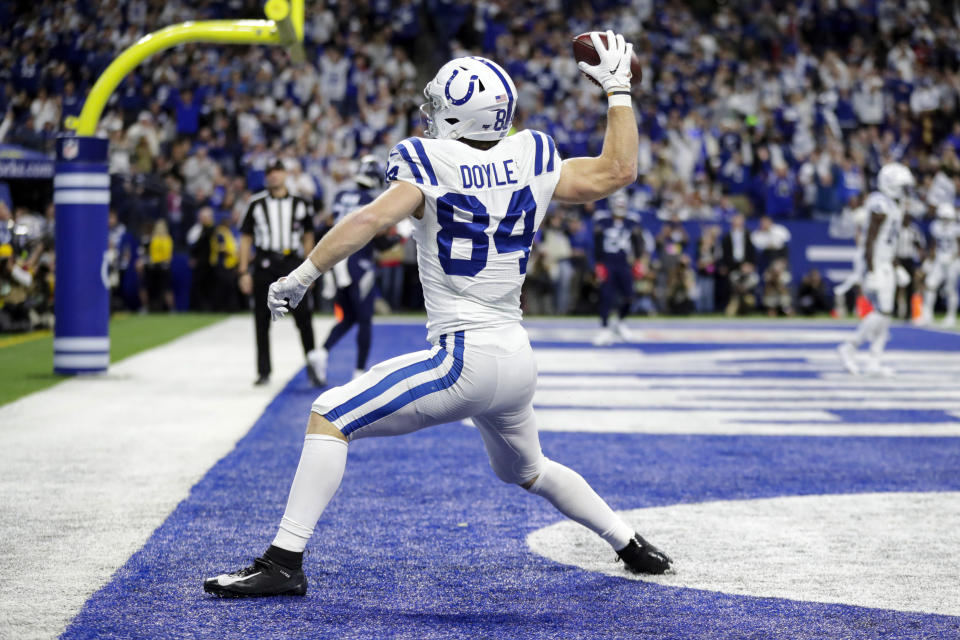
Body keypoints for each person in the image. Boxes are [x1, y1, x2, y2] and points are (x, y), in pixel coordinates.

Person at [204, 34, 672, 598]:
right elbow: (618, 170)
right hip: (516, 358)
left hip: (462, 358)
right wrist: (618, 91)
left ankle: (283, 561)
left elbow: (369, 222)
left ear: (455, 114)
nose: (428, 115)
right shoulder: (535, 153)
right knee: (528, 470)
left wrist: (303, 275)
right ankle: (630, 542)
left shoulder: (429, 161)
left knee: (330, 412)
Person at [313, 155, 399, 384]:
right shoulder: (370, 200)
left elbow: (328, 226)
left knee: (348, 317)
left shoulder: (342, 196)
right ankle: (359, 373)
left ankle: (321, 352)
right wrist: (399, 238)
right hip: (358, 263)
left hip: (336, 262)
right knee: (364, 319)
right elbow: (378, 240)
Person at [239, 159, 323, 386]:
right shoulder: (255, 204)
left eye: (277, 171)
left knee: (304, 318)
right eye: (269, 172)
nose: (273, 175)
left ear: (285, 174)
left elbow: (308, 236)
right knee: (261, 320)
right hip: (265, 262)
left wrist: (310, 269)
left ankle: (313, 368)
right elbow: (246, 238)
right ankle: (264, 371)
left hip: (293, 263)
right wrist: (244, 271)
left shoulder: (301, 203)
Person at [837, 162, 914, 377]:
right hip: (874, 263)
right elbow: (870, 240)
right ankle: (849, 347)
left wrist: (896, 265)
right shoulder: (880, 203)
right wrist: (870, 271)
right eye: (902, 186)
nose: (905, 191)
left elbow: (889, 242)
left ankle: (874, 361)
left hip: (885, 262)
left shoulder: (893, 205)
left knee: (886, 314)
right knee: (884, 311)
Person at [592, 190, 644, 346]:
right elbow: (596, 244)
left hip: (624, 263)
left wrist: (638, 261)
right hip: (608, 262)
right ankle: (604, 327)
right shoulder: (602, 220)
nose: (620, 206)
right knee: (606, 296)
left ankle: (620, 322)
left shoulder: (632, 222)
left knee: (630, 296)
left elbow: (638, 244)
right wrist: (598, 264)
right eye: (617, 203)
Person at [920, 174, 959, 326]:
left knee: (950, 289)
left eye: (946, 218)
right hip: (939, 259)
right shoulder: (936, 226)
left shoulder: (956, 228)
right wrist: (930, 259)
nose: (945, 220)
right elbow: (934, 245)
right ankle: (927, 314)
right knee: (930, 284)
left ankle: (951, 316)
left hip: (952, 260)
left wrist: (954, 257)